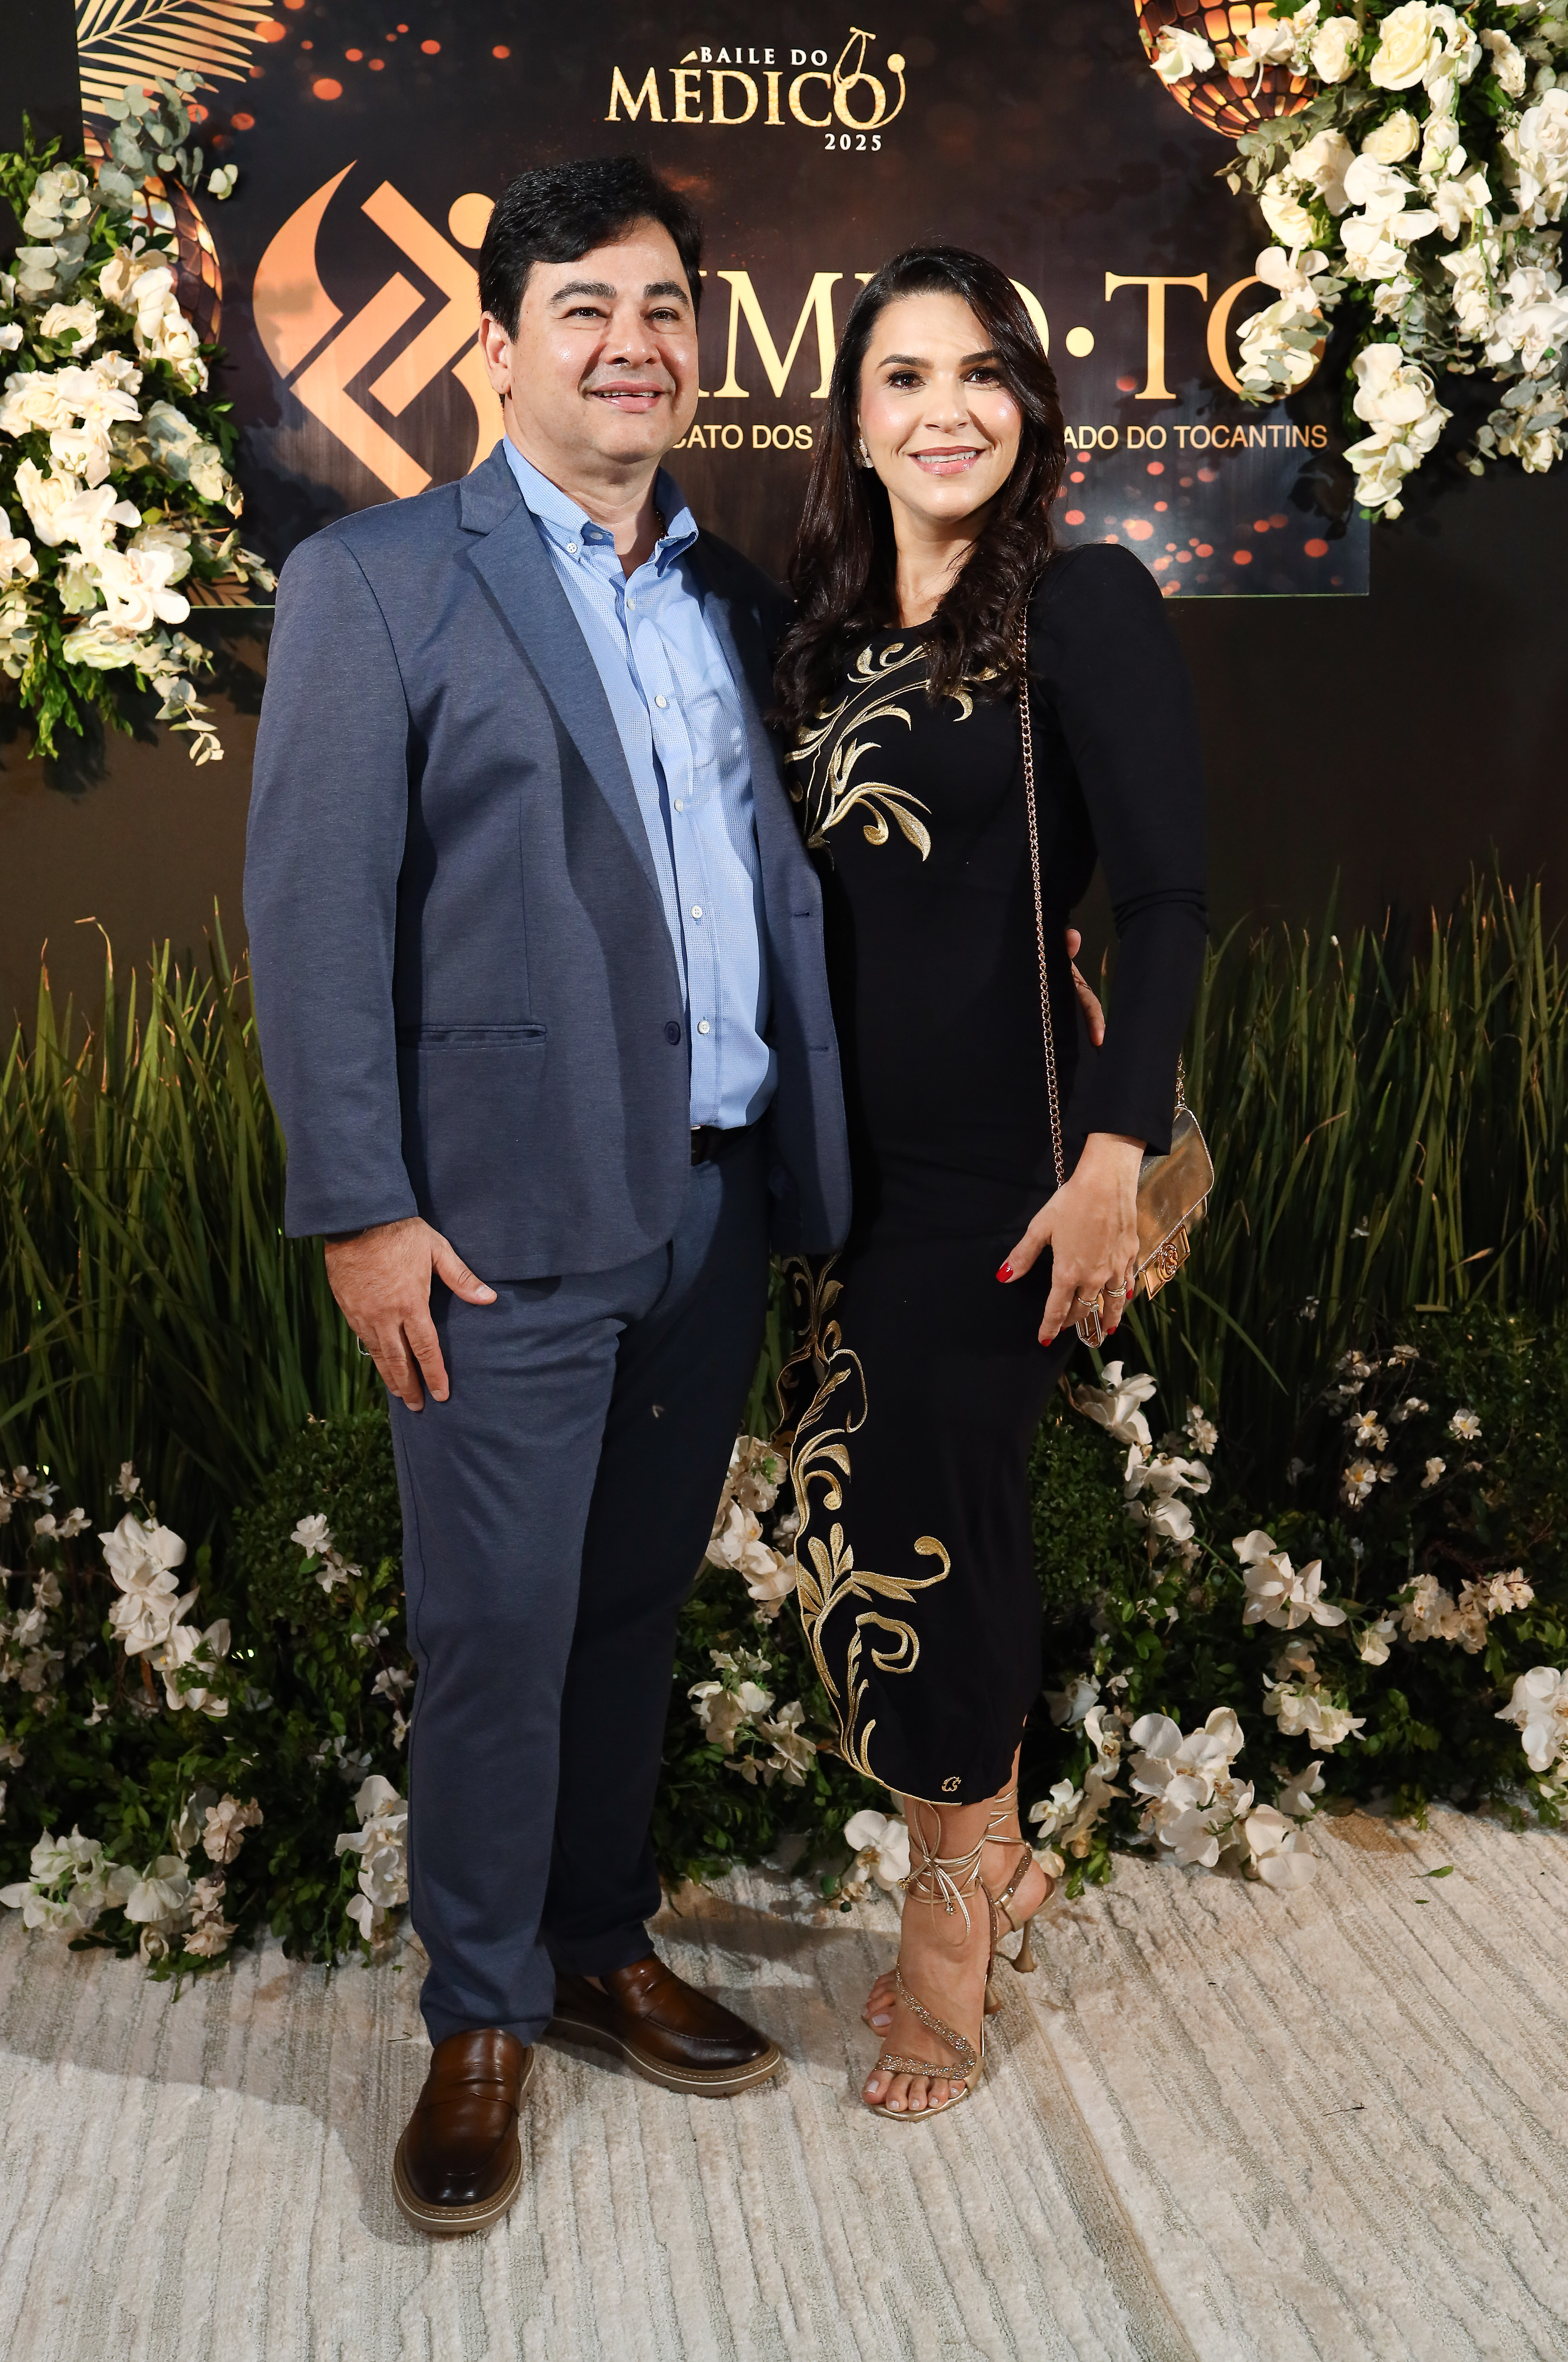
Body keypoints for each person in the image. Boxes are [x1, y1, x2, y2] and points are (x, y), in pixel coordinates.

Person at [244, 155, 851, 2237]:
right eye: (584, 306)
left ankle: (597, 1945)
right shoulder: (380, 582)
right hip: (494, 1228)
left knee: (630, 1603)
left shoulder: (736, 597)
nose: (632, 344)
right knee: (498, 1624)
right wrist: (362, 1210)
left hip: (713, 1205)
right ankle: (481, 2014)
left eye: (664, 306)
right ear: (499, 345)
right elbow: (316, 918)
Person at [772, 246, 1207, 2121]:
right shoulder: (812, 639)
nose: (946, 407)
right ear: (856, 420)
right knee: (861, 1523)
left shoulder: (1078, 604)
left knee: (938, 1534)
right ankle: (996, 1857)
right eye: (905, 375)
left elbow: (1168, 900)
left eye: (981, 373)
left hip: (1008, 1174)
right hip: (839, 1174)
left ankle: (952, 1923)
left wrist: (1114, 1154)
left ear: (1026, 405)